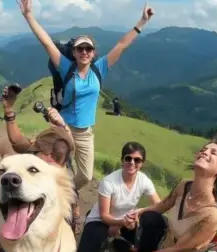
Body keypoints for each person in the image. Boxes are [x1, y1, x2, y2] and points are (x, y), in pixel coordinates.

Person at [17, 0, 155, 228]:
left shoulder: (98, 70)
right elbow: (45, 42)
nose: (84, 52)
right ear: (74, 52)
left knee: (86, 175)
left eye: (88, 49)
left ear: (93, 53)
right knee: (53, 165)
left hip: (84, 133)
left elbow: (122, 45)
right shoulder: (66, 67)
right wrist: (29, 16)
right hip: (62, 129)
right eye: (80, 49)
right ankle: (50, 203)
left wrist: (142, 21)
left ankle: (65, 194)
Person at [0, 85, 79, 229]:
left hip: (64, 194)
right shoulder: (36, 149)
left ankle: (75, 216)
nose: (46, 165)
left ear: (62, 162)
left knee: (69, 194)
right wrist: (8, 110)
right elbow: (17, 141)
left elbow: (70, 145)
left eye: (51, 164)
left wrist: (63, 125)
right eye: (42, 162)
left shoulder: (66, 167)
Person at [75, 142, 162, 252]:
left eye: (137, 160)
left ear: (142, 164)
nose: (132, 163)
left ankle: (116, 242)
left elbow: (159, 206)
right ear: (122, 161)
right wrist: (119, 223)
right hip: (101, 220)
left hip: (127, 220)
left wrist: (138, 212)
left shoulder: (144, 181)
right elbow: (104, 216)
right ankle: (98, 229)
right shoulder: (109, 182)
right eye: (128, 158)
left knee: (147, 239)